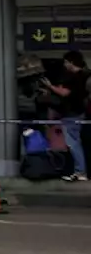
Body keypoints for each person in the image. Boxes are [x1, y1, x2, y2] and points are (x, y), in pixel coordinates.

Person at [41, 50, 88, 182]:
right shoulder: (83, 75)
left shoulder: (77, 77)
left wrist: (50, 86)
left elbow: (65, 93)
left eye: (66, 62)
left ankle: (80, 172)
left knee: (73, 143)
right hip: (77, 113)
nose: (65, 65)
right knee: (74, 143)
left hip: (73, 114)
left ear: (71, 62)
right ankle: (79, 171)